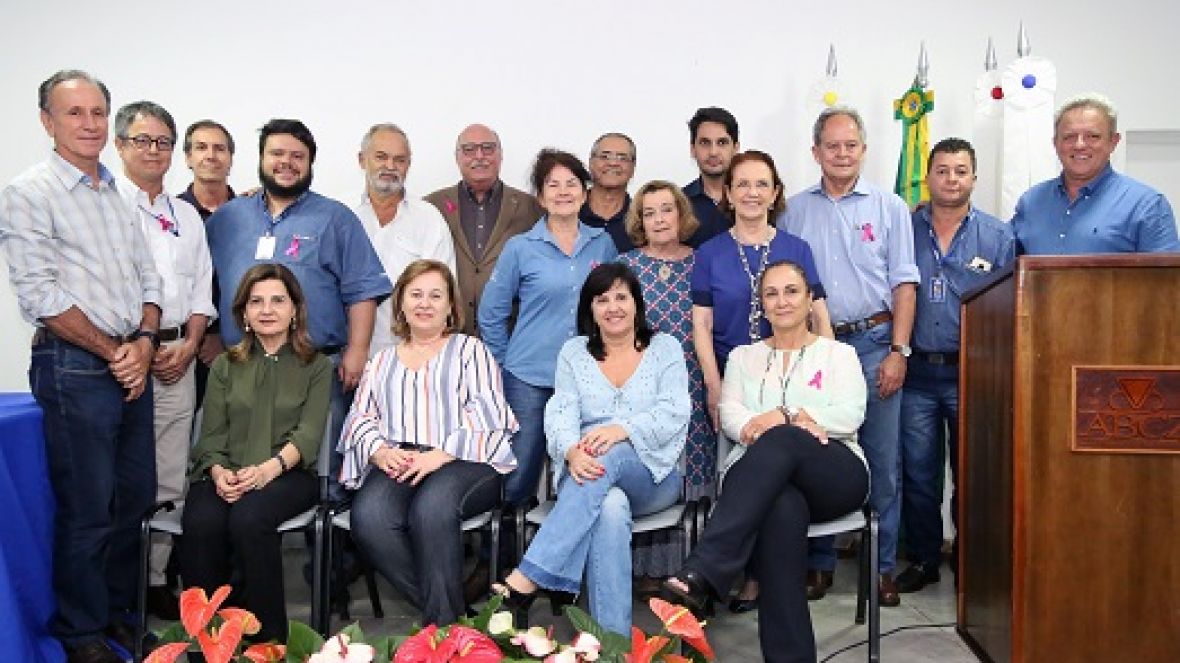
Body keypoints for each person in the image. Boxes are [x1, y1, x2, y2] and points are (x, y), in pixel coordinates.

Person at [0, 69, 162, 663]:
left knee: (133, 499)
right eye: (75, 113)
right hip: (75, 367)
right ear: (48, 121)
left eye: (98, 112)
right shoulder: (29, 193)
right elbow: (38, 297)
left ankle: (118, 614)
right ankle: (82, 631)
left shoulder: (118, 192)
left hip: (129, 362)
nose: (90, 123)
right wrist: (113, 350)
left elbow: (150, 278)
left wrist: (143, 340)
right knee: (89, 509)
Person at [664, 260, 869, 663]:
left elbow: (851, 414)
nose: (782, 301)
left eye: (792, 291)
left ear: (811, 299)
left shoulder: (839, 354)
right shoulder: (743, 357)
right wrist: (779, 424)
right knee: (780, 504)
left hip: (834, 470)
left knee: (786, 437)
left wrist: (784, 418)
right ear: (762, 305)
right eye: (771, 294)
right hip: (764, 480)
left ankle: (706, 569)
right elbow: (731, 413)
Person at [495, 262, 689, 636]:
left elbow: (674, 412)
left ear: (636, 304)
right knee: (610, 509)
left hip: (654, 474)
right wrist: (570, 450)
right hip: (587, 472)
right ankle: (610, 646)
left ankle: (529, 575)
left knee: (609, 452)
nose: (613, 307)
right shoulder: (574, 353)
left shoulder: (665, 348)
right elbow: (561, 411)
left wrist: (621, 430)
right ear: (591, 309)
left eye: (621, 297)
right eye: (603, 299)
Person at [204, 118, 392, 504]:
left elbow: (362, 290)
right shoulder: (227, 219)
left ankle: (327, 560)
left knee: (330, 475)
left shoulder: (335, 218)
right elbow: (205, 286)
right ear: (260, 159)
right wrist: (208, 339)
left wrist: (357, 352)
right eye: (277, 154)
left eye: (297, 156)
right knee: (241, 468)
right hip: (242, 367)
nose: (286, 163)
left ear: (310, 163)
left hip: (317, 368)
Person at [778, 107, 920, 606]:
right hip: (815, 347)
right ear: (815, 152)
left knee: (883, 459)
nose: (842, 154)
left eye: (851, 145)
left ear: (864, 149)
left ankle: (880, 567)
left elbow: (905, 283)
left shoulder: (890, 207)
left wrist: (899, 351)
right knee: (817, 454)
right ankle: (817, 563)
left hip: (876, 344)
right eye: (832, 146)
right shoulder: (793, 211)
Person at [340, 259, 518, 626]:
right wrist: (379, 450)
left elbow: (487, 411)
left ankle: (443, 629)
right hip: (400, 457)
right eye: (416, 294)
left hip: (467, 459)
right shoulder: (381, 361)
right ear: (401, 304)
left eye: (435, 295)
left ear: (451, 306)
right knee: (370, 517)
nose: (425, 303)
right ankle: (452, 620)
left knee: (431, 509)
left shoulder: (471, 351)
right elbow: (359, 416)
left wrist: (440, 455)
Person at [692, 149, 832, 612]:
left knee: (780, 475)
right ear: (728, 194)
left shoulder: (797, 249)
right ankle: (739, 573)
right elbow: (703, 327)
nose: (752, 193)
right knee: (738, 475)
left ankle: (763, 578)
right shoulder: (710, 253)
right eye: (742, 185)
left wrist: (829, 375)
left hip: (795, 377)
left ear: (775, 194)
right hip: (737, 382)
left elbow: (821, 319)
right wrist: (714, 386)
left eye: (761, 184)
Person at [180, 263, 332, 644]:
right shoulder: (225, 366)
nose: (267, 309)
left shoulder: (317, 365)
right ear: (244, 313)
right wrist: (217, 473)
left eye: (278, 300)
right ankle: (210, 646)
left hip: (290, 474)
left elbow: (309, 434)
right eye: (256, 301)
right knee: (201, 523)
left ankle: (269, 644)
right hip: (225, 471)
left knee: (250, 518)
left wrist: (268, 470)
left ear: (294, 309)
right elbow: (211, 435)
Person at [895, 139, 1015, 594]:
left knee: (973, 473)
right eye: (942, 171)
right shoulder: (903, 228)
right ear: (928, 177)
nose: (951, 180)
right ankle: (924, 558)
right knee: (919, 475)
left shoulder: (999, 235)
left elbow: (1008, 306)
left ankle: (970, 558)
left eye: (960, 171)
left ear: (974, 179)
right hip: (918, 373)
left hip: (974, 373)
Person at [113, 100, 217, 620]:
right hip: (123, 359)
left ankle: (155, 578)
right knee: (124, 477)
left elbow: (202, 287)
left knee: (172, 473)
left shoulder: (186, 215)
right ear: (120, 146)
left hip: (179, 356)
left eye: (162, 142)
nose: (153, 150)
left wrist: (192, 344)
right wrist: (144, 344)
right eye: (142, 140)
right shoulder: (108, 206)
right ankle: (119, 582)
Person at [478, 149, 618, 508]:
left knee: (583, 468)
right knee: (519, 470)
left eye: (571, 183)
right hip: (529, 376)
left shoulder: (602, 243)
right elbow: (491, 313)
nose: (563, 191)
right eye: (552, 185)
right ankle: (501, 552)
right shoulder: (520, 248)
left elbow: (616, 306)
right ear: (540, 197)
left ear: (585, 192)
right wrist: (504, 363)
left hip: (588, 376)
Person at [617, 181, 709, 594]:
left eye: (666, 210)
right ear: (639, 220)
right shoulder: (625, 266)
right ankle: (641, 573)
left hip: (694, 377)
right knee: (652, 468)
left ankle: (692, 572)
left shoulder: (702, 262)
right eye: (649, 212)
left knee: (693, 470)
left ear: (681, 215)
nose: (658, 219)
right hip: (642, 388)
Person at [1011, 93, 1179, 254]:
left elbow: (1166, 280)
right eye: (1069, 137)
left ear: (1113, 142)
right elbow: (1004, 264)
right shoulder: (1031, 202)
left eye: (1092, 136)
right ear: (1055, 143)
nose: (1079, 145)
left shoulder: (1147, 206)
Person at [426, 124, 544, 335]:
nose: (479, 156)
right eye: (469, 149)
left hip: (511, 331)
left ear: (500, 155)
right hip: (446, 331)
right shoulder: (432, 206)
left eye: (488, 148)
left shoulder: (531, 207)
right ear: (457, 157)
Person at [354, 123, 456, 355]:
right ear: (362, 160)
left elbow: (444, 289)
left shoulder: (428, 218)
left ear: (408, 165)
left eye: (399, 160)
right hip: (348, 355)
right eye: (381, 157)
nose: (390, 166)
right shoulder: (342, 213)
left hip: (410, 354)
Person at [177, 119, 237, 409]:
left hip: (244, 348)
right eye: (201, 148)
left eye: (219, 148)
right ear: (188, 157)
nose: (211, 155)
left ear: (231, 158)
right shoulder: (171, 214)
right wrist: (205, 337)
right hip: (187, 349)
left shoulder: (251, 212)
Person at [682, 107, 739, 247]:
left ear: (736, 148)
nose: (713, 152)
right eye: (705, 143)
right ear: (693, 149)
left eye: (722, 143)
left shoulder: (752, 199)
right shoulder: (679, 203)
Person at [579, 132, 637, 252]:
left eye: (622, 158)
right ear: (591, 163)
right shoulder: (569, 212)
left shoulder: (642, 218)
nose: (613, 163)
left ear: (633, 168)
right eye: (604, 157)